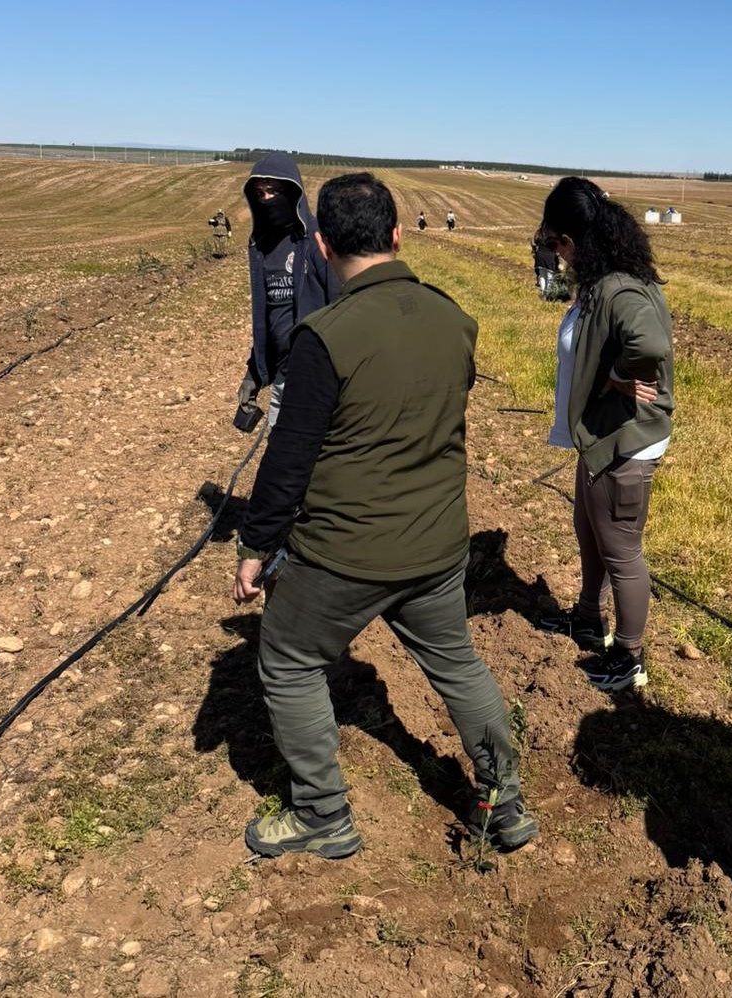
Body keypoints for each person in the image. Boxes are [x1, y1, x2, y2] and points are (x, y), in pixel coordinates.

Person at [232, 172, 537, 859]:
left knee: (287, 659)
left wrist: (255, 546)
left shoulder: (324, 337)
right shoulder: (454, 319)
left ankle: (322, 815)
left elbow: (288, 461)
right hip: (438, 546)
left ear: (323, 245)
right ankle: (505, 804)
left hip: (345, 554)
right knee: (458, 665)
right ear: (398, 235)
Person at [535, 177, 675, 692]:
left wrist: (618, 375)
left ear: (574, 240)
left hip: (625, 442)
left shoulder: (620, 289)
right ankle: (588, 619)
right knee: (590, 530)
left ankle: (629, 657)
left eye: (556, 244)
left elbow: (650, 343)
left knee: (621, 549)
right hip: (600, 437)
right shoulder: (601, 282)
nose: (556, 254)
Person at [237, 152, 340, 428]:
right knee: (279, 450)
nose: (267, 199)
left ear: (293, 192)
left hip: (317, 378)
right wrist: (254, 372)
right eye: (259, 193)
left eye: (273, 191)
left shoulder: (318, 240)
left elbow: (342, 305)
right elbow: (271, 319)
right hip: (283, 378)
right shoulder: (263, 246)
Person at [530, 232, 559, 298]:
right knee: (550, 278)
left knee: (542, 277)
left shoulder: (539, 237)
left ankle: (544, 295)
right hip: (550, 259)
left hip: (540, 259)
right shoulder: (554, 239)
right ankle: (548, 296)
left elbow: (534, 245)